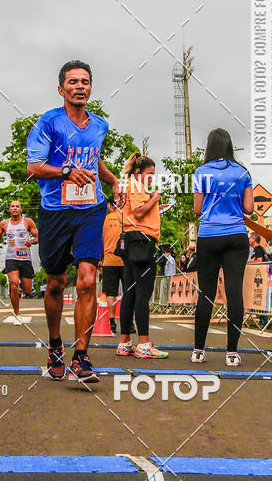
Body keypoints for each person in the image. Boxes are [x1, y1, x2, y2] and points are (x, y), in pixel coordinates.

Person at [27, 60, 120, 383]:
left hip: (91, 210)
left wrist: (112, 181)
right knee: (55, 282)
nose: (79, 86)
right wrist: (66, 171)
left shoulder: (100, 126)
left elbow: (94, 158)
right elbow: (34, 167)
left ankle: (81, 357)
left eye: (85, 82)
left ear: (90, 88)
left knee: (87, 280)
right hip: (55, 210)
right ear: (61, 89)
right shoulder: (47, 124)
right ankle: (55, 344)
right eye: (73, 82)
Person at [191, 128, 254, 367]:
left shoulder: (201, 172)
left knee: (206, 292)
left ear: (210, 146)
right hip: (237, 235)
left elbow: (198, 209)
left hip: (209, 235)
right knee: (234, 292)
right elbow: (249, 208)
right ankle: (232, 353)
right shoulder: (243, 172)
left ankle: (198, 350)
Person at [116, 152, 169, 360]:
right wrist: (154, 198)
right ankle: (144, 344)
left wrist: (156, 206)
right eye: (150, 174)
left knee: (129, 292)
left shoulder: (130, 184)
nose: (152, 178)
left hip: (131, 239)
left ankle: (125, 342)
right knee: (142, 293)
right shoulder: (137, 185)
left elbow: (137, 211)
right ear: (139, 172)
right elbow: (138, 212)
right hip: (141, 241)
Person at [0, 200, 38, 318]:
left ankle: (27, 289)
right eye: (12, 206)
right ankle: (17, 313)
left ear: (21, 209)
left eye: (17, 206)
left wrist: (31, 241)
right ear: (9, 209)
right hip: (11, 258)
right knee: (13, 284)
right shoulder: (4, 224)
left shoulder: (28, 222)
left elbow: (37, 237)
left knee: (27, 291)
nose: (15, 208)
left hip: (25, 259)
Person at [101, 196, 124, 334]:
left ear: (110, 206)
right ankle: (130, 323)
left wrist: (99, 258)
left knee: (110, 293)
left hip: (109, 261)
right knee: (128, 291)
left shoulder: (104, 220)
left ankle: (112, 322)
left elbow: (100, 239)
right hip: (125, 260)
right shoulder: (125, 218)